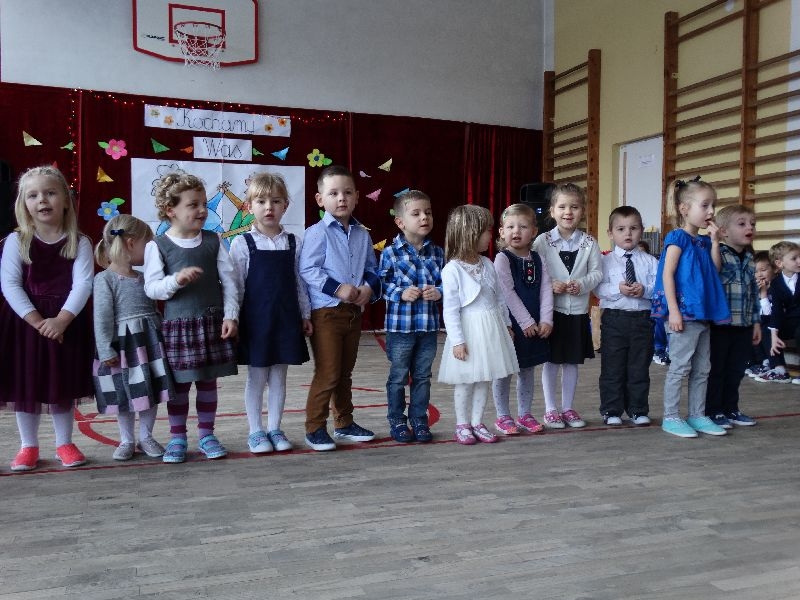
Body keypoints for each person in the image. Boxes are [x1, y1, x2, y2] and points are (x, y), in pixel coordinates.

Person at [0, 165, 93, 471]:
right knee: (26, 384)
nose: (42, 199)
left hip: (67, 323)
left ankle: (64, 443)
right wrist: (38, 321)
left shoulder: (79, 241)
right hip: (26, 324)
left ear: (65, 200)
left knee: (61, 384)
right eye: (33, 195)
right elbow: (10, 285)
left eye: (50, 193)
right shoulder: (16, 241)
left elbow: (83, 284)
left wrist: (61, 320)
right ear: (23, 204)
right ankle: (28, 446)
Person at [143, 172, 239, 463]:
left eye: (203, 204)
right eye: (193, 204)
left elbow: (230, 282)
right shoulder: (157, 245)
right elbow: (152, 288)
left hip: (211, 323)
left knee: (208, 383)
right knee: (180, 387)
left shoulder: (213, 240)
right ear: (170, 210)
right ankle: (177, 438)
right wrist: (176, 281)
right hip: (179, 327)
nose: (202, 210)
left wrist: (231, 316)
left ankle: (207, 435)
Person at [298, 165, 381, 451]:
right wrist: (337, 288)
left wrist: (368, 288)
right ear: (320, 199)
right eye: (333, 193)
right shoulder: (316, 233)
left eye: (347, 193)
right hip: (326, 313)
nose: (341, 198)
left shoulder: (362, 234)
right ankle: (314, 428)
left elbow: (372, 268)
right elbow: (308, 269)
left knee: (345, 373)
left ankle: (344, 423)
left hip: (352, 314)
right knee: (329, 372)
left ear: (356, 197)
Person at [230, 172, 312, 454]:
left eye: (276, 201)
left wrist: (305, 314)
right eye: (261, 201)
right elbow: (236, 286)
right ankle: (255, 431)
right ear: (248, 206)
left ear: (285, 206)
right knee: (257, 377)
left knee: (279, 376)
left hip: (285, 319)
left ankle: (275, 428)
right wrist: (234, 319)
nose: (269, 207)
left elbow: (299, 282)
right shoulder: (242, 243)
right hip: (256, 322)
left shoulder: (294, 242)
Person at [651, 177, 730, 438]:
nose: (711, 211)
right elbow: (667, 274)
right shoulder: (677, 238)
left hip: (702, 314)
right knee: (680, 367)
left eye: (713, 205)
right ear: (684, 209)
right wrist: (673, 310)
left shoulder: (703, 242)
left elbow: (714, 270)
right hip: (683, 315)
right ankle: (671, 416)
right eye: (705, 205)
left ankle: (697, 414)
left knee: (703, 368)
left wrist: (715, 242)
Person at [92, 215, 174, 460]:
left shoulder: (144, 277)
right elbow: (102, 316)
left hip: (148, 343)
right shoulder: (105, 279)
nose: (151, 250)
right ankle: (126, 439)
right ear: (130, 243)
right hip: (122, 347)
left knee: (149, 390)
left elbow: (155, 311)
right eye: (147, 244)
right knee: (124, 393)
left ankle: (146, 436)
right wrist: (105, 349)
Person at [438, 205, 518, 445]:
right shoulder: (452, 269)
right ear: (470, 234)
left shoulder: (487, 263)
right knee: (466, 380)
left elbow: (499, 298)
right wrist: (458, 340)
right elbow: (450, 309)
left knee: (485, 377)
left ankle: (477, 422)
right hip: (469, 331)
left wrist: (506, 324)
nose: (490, 236)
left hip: (491, 329)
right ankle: (462, 424)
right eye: (486, 231)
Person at [532, 183, 602, 429]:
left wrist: (581, 284)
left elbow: (597, 273)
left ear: (582, 211)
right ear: (552, 211)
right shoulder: (542, 241)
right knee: (551, 361)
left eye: (574, 207)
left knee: (572, 362)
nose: (568, 212)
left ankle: (568, 407)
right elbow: (533, 271)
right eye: (562, 207)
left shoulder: (589, 242)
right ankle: (551, 409)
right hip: (551, 312)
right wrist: (550, 284)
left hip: (578, 313)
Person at [378, 190, 443, 443]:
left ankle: (419, 419)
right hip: (400, 329)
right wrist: (400, 293)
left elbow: (446, 283)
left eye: (428, 212)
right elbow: (382, 284)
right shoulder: (390, 253)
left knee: (423, 376)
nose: (424, 217)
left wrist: (439, 292)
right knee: (398, 377)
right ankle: (397, 419)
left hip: (428, 327)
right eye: (416, 213)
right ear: (400, 222)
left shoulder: (438, 253)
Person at [491, 203, 552, 435]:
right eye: (510, 227)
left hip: (534, 325)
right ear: (501, 232)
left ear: (534, 232)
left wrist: (546, 319)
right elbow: (507, 293)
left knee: (527, 370)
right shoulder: (502, 259)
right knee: (505, 371)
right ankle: (503, 416)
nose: (516, 231)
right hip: (511, 325)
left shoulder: (538, 259)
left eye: (523, 227)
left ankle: (525, 414)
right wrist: (525, 322)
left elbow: (546, 290)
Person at [595, 206, 658, 426]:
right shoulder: (604, 261)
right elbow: (598, 289)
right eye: (621, 229)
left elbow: (659, 288)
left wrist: (645, 290)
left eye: (633, 228)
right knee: (612, 367)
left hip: (642, 320)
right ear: (610, 233)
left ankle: (638, 409)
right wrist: (618, 289)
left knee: (639, 367)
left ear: (641, 230)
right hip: (614, 319)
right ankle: (611, 410)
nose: (628, 233)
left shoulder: (650, 261)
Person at [703, 205, 760, 427]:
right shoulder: (718, 253)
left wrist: (756, 322)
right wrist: (714, 242)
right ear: (724, 231)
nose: (749, 227)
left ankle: (731, 408)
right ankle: (713, 410)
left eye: (752, 224)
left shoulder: (750, 258)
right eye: (742, 224)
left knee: (736, 370)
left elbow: (753, 292)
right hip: (721, 325)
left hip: (743, 325)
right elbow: (712, 274)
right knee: (717, 369)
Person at [761, 240, 800, 384]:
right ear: (779, 263)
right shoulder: (776, 283)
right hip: (790, 322)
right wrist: (774, 336)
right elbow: (776, 311)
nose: (799, 261)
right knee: (767, 330)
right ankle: (779, 368)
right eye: (794, 258)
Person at [744, 251, 775, 378]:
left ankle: (767, 362)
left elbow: (768, 314)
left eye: (763, 270)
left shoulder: (776, 287)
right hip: (760, 323)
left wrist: (763, 294)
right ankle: (755, 362)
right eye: (755, 271)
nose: (759, 274)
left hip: (774, 323)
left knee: (762, 328)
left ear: (775, 269)